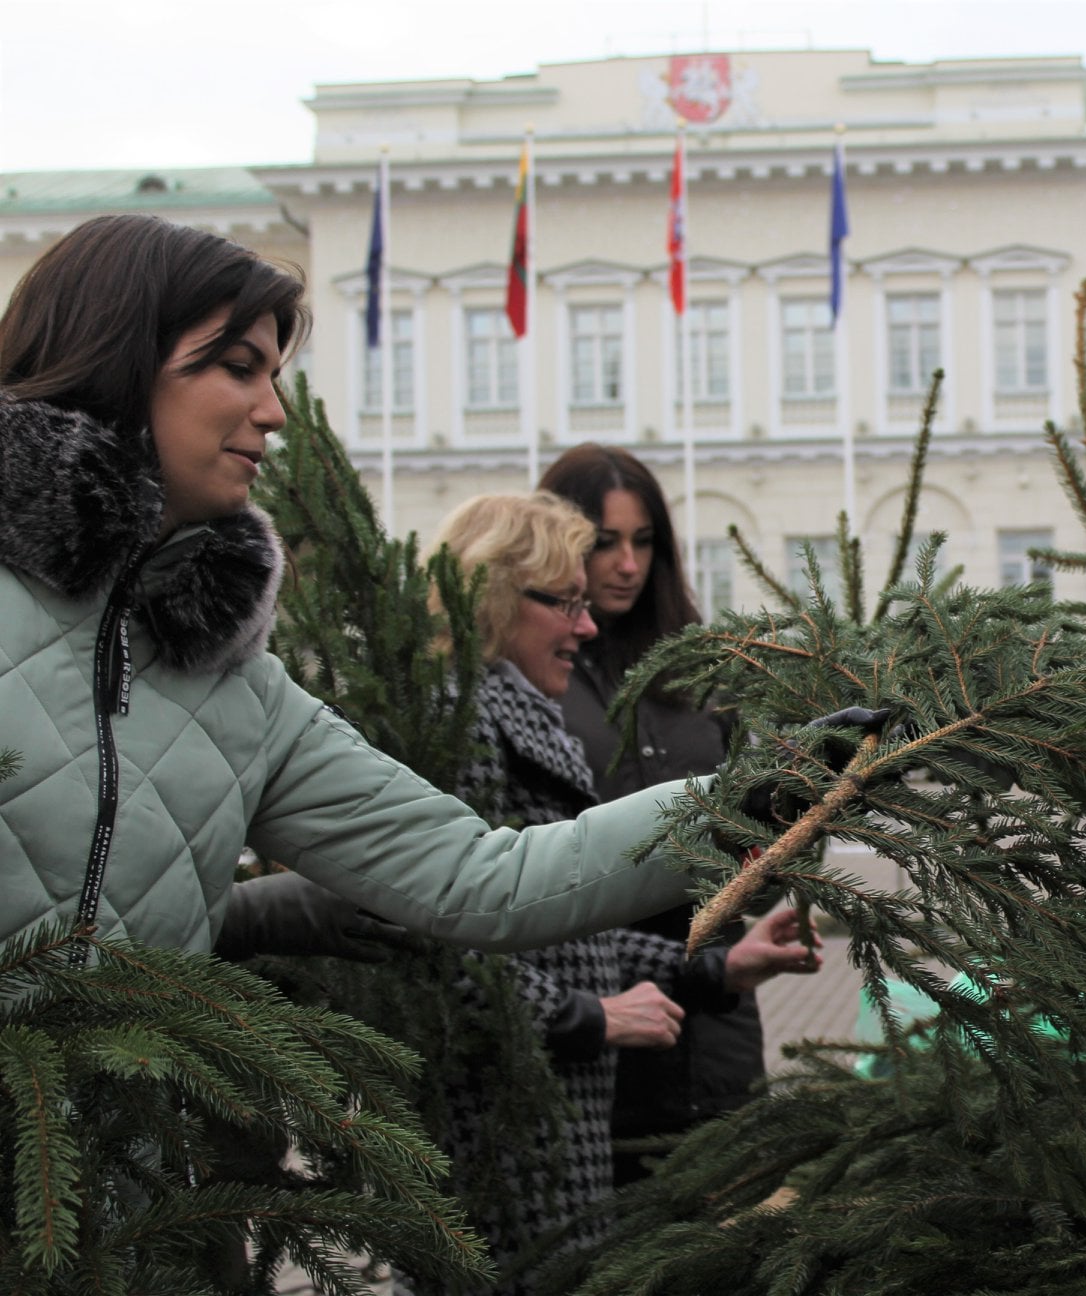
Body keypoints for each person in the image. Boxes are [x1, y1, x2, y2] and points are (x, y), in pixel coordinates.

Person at [0, 215, 790, 975]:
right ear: (120, 360)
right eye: (239, 367)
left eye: (274, 376)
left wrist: (759, 794)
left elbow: (482, 879)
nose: (275, 411)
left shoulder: (242, 690)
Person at [424, 491, 818, 1294]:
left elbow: (566, 933)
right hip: (500, 1127)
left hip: (553, 1124)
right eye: (566, 603)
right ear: (496, 597)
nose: (587, 627)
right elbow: (434, 940)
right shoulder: (461, 722)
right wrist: (588, 1017)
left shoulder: (522, 717)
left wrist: (721, 966)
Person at [538, 444, 771, 1186]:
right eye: (604, 542)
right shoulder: (536, 676)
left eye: (643, 542)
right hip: (594, 1019)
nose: (627, 565)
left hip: (716, 1018)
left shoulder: (703, 674)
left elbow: (757, 840)